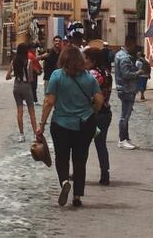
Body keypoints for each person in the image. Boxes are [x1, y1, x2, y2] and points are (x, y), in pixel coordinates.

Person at [37, 46, 104, 207]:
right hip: (84, 124)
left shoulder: (57, 75)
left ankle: (64, 181)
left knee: (61, 157)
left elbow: (49, 102)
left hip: (61, 123)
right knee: (80, 159)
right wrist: (92, 110)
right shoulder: (89, 78)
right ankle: (77, 196)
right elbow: (99, 100)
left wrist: (42, 124)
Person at [84, 42, 113, 185]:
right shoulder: (107, 73)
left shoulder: (92, 74)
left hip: (93, 113)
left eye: (86, 59)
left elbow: (88, 94)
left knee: (83, 144)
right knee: (101, 145)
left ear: (93, 61)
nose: (84, 61)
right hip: (106, 112)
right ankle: (105, 173)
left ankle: (79, 172)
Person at [6, 43, 38, 143]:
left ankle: (21, 135)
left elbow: (7, 76)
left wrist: (14, 75)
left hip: (16, 86)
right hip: (26, 86)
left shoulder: (13, 61)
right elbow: (30, 78)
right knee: (31, 112)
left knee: (19, 111)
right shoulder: (29, 62)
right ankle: (35, 134)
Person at [113, 35, 140, 150]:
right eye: (134, 44)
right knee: (125, 115)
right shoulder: (124, 57)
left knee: (126, 114)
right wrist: (138, 72)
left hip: (123, 87)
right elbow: (126, 74)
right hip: (127, 88)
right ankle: (122, 139)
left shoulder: (119, 54)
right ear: (129, 43)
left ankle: (125, 137)